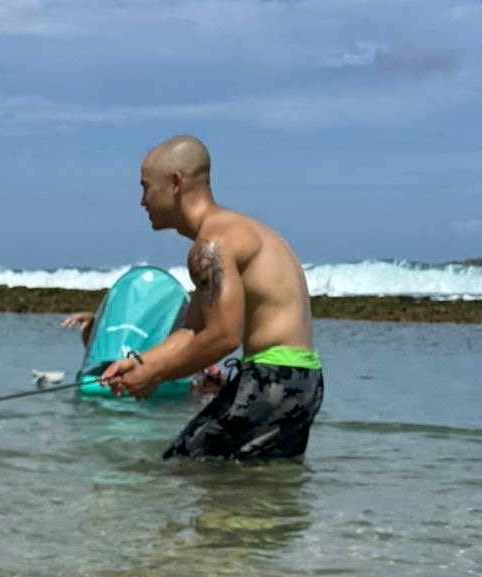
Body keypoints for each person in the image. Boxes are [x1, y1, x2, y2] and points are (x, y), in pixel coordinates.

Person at [94, 135, 322, 461]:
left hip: (272, 379)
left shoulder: (212, 243)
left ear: (176, 182)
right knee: (251, 489)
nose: (142, 201)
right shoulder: (232, 231)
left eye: (145, 187)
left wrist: (156, 375)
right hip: (298, 380)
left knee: (181, 467)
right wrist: (143, 363)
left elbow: (223, 336)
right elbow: (194, 331)